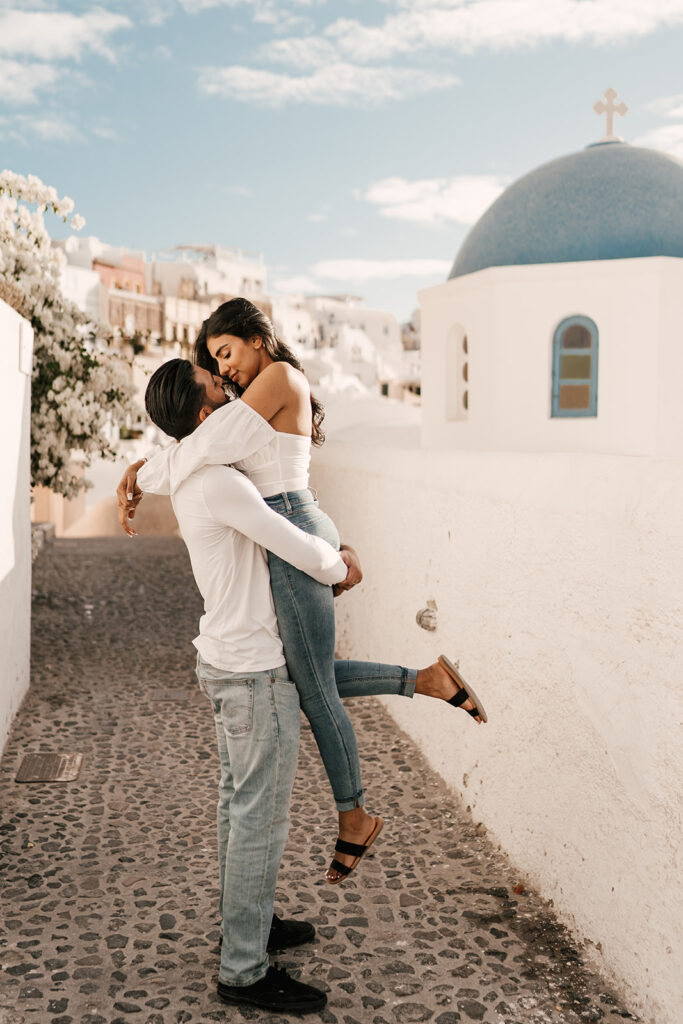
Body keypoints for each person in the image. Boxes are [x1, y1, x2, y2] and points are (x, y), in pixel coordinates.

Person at [117, 300, 487, 884]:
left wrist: (142, 471)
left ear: (257, 338)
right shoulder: (256, 394)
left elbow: (201, 450)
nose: (226, 369)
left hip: (292, 529)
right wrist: (146, 468)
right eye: (215, 362)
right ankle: (429, 681)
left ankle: (356, 815)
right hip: (291, 530)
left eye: (227, 352)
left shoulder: (279, 378)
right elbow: (200, 448)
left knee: (314, 695)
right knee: (304, 677)